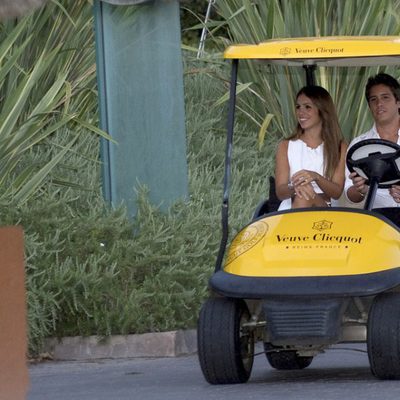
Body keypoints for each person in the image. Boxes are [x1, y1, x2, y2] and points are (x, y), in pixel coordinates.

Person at [275, 85, 347, 210]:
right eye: (298, 107)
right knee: (302, 196)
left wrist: (316, 177)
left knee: (304, 197)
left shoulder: (339, 147)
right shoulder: (285, 146)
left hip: (324, 211)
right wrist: (295, 188)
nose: (300, 112)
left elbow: (336, 192)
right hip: (291, 206)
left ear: (322, 110)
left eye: (307, 107)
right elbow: (280, 192)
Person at [345, 73, 400, 207]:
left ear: (398, 102)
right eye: (373, 99)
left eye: (385, 97)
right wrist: (362, 190)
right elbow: (349, 194)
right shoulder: (359, 145)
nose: (379, 103)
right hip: (377, 220)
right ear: (369, 106)